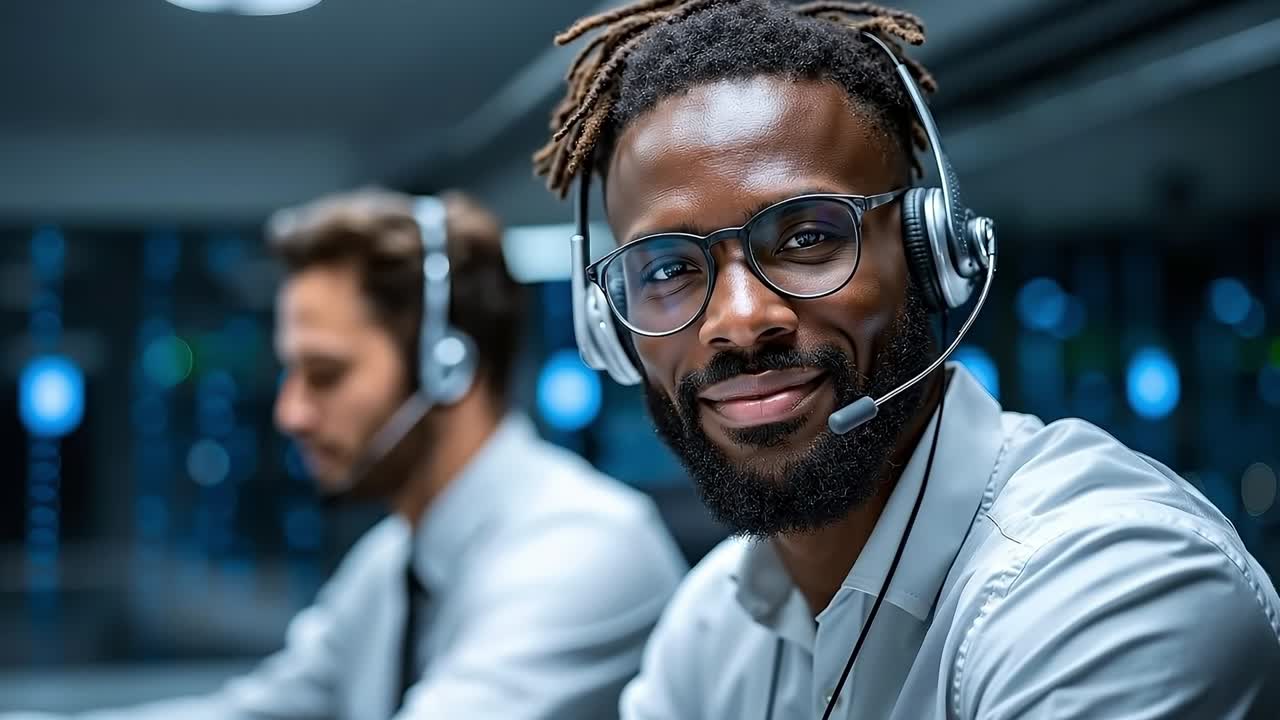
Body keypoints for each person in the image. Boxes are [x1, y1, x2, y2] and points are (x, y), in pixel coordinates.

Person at [533, 1, 1280, 718]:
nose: (739, 321)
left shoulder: (1113, 588)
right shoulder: (710, 631)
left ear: (931, 253)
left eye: (805, 239)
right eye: (666, 270)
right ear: (609, 328)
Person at [3, 188, 687, 719]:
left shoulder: (583, 548)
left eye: (325, 375)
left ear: (449, 365)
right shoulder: (394, 560)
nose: (290, 412)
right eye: (289, 374)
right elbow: (260, 712)